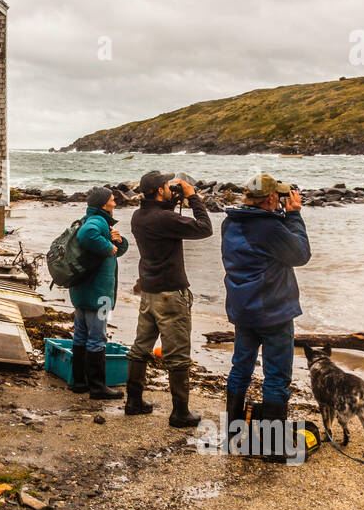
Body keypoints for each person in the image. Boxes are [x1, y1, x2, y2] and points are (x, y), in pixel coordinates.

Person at [219, 173, 311, 444]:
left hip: (243, 308)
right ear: (271, 198)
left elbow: (263, 244)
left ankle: (233, 434)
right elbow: (300, 255)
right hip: (273, 311)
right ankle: (272, 444)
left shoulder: (230, 222)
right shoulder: (269, 228)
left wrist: (281, 219)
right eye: (278, 197)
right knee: (276, 376)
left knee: (241, 367)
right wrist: (293, 216)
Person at [125, 171, 213, 424]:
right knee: (178, 355)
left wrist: (172, 201)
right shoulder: (165, 218)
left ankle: (133, 401)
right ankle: (180, 411)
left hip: (149, 292)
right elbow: (204, 228)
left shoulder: (138, 216)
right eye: (166, 185)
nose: (169, 187)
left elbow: (162, 219)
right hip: (171, 294)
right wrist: (193, 197)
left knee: (141, 347)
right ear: (160, 190)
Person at [69, 186, 128, 400]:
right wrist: (107, 247)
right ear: (104, 204)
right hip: (100, 295)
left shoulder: (91, 219)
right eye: (112, 199)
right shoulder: (97, 222)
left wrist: (118, 242)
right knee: (98, 338)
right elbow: (89, 236)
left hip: (83, 292)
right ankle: (97, 387)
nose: (115, 202)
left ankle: (78, 382)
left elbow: (115, 251)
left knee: (81, 335)